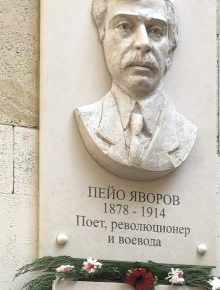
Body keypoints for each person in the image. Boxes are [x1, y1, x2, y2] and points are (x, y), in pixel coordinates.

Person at [75, 0, 198, 181]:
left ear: (170, 49)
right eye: (125, 26)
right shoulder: (89, 119)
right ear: (103, 34)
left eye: (156, 31)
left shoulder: (185, 133)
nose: (144, 43)